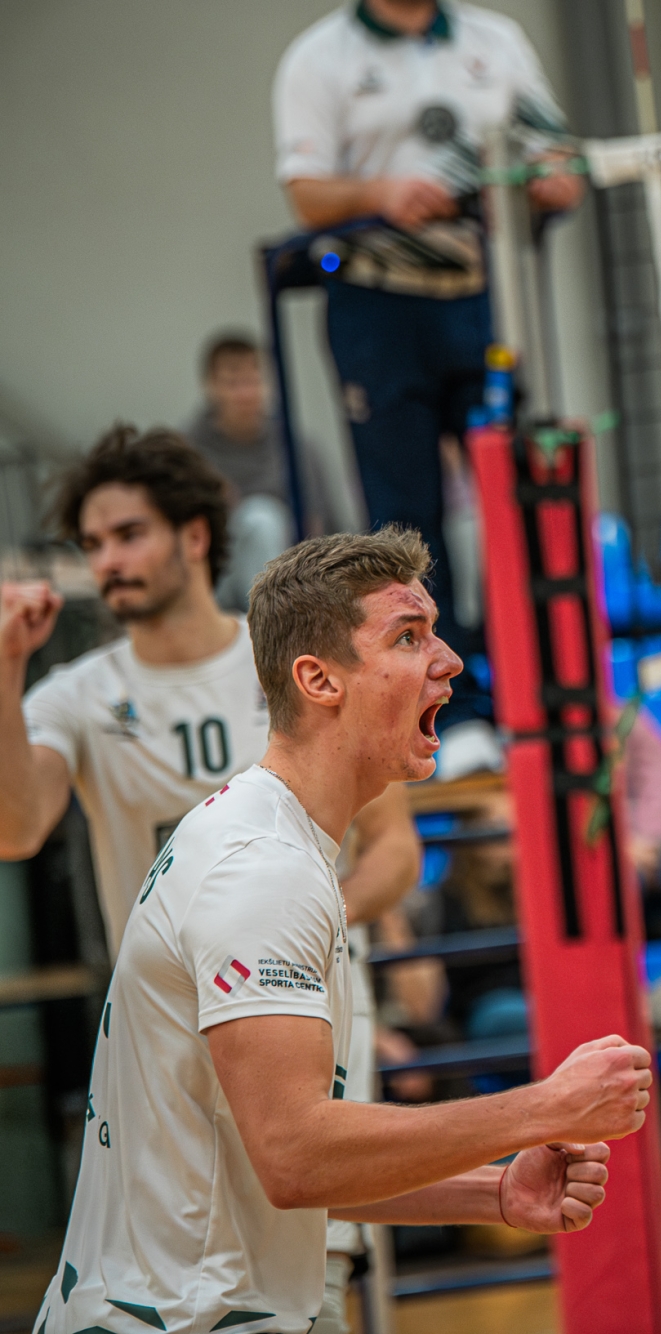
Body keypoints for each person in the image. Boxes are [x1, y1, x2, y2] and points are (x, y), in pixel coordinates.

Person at [28, 527, 653, 1334]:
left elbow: (267, 1159)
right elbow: (295, 1156)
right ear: (319, 679)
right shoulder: (263, 870)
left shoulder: (273, 839)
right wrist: (545, 1107)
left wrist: (493, 1191)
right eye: (408, 637)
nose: (448, 661)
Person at [0, 426, 427, 1331]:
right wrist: (4, 671)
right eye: (93, 544)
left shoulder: (294, 659)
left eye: (129, 534)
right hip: (174, 1041)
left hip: (297, 1015)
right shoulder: (77, 693)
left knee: (311, 1281)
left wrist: (296, 925)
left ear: (194, 536)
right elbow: (14, 827)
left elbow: (395, 849)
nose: (108, 562)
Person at [272, 0, 585, 732]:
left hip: (485, 296)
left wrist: (546, 180)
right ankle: (446, 711)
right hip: (377, 305)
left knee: (518, 495)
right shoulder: (320, 56)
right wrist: (381, 194)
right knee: (404, 520)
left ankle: (542, 693)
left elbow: (562, 162)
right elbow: (305, 191)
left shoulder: (495, 39)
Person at [185, 331, 345, 610]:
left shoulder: (297, 447)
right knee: (260, 519)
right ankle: (265, 619)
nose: (246, 393)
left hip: (296, 579)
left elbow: (328, 526)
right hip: (216, 581)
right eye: (233, 383)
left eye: (254, 380)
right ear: (210, 386)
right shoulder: (188, 452)